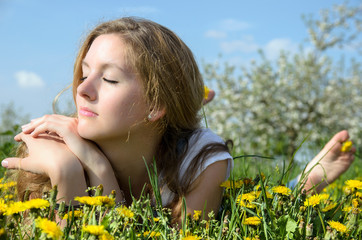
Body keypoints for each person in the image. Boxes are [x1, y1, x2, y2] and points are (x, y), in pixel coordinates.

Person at [1, 17, 355, 223]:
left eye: (108, 79)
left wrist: (96, 167)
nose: (82, 90)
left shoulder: (206, 159)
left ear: (156, 104)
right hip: (158, 119)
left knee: (251, 204)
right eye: (85, 73)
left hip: (180, 153)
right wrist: (66, 171)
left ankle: (306, 183)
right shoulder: (55, 142)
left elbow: (163, 233)